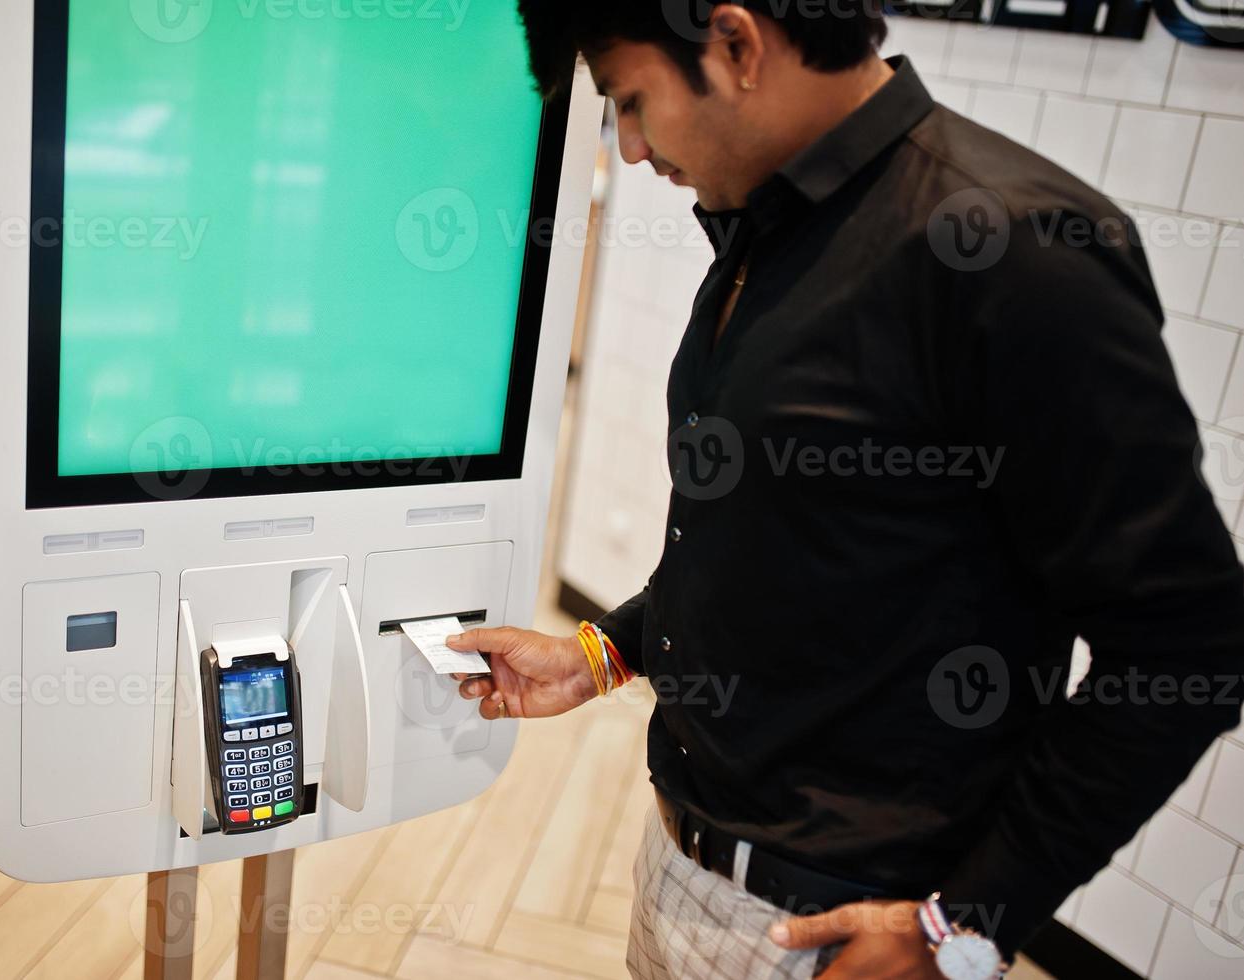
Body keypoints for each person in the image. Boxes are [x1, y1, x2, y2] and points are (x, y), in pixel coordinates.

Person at [444, 3, 1244, 979]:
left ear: (736, 43)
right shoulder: (764, 226)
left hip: (850, 938)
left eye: (632, 101)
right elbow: (763, 547)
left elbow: (1189, 635)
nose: (634, 146)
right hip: (679, 872)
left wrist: (965, 928)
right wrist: (599, 653)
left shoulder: (1019, 253)